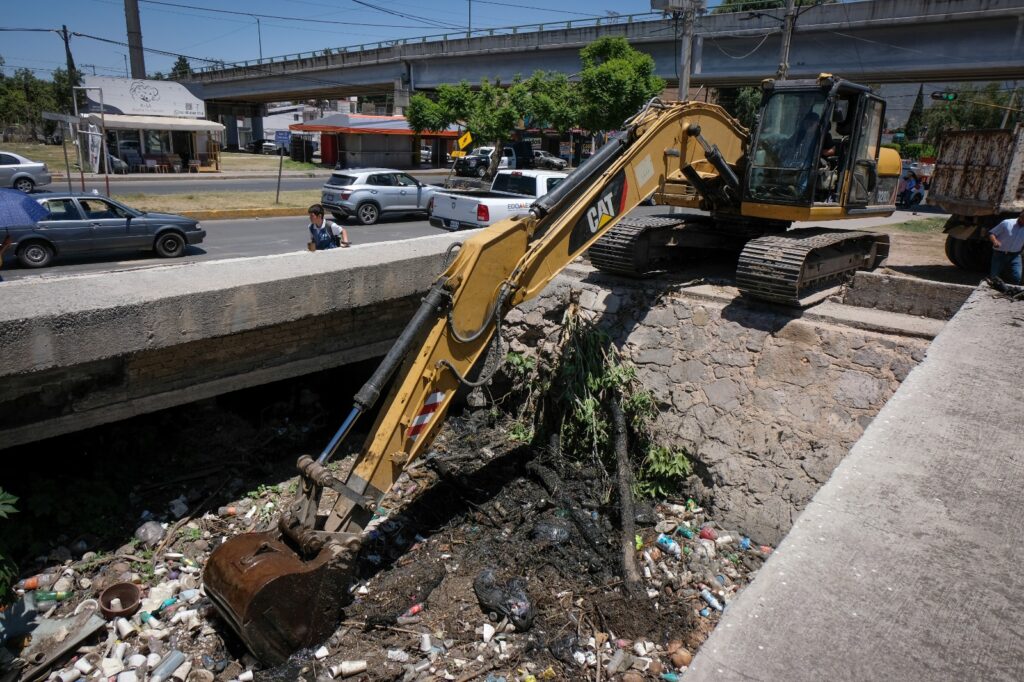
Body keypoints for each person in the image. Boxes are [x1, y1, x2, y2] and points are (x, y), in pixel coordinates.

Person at [988, 210, 1024, 284]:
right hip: (999, 254)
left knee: (1017, 277)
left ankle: (1012, 293)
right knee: (994, 277)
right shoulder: (1007, 223)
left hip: (1015, 255)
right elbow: (992, 233)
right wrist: (995, 241)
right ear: (1020, 217)